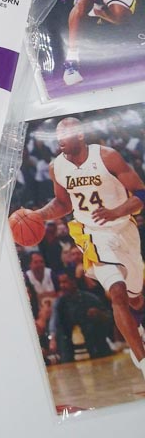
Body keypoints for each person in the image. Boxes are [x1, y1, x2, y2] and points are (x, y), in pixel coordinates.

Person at [26, 117, 145, 377]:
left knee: (136, 297)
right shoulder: (56, 167)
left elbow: (140, 193)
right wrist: (38, 215)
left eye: (65, 135)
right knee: (117, 291)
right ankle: (142, 361)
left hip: (123, 230)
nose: (59, 140)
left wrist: (116, 212)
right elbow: (63, 204)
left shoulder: (107, 157)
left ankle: (140, 326)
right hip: (90, 234)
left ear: (80, 135)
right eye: (57, 136)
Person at [48, 272, 114, 361]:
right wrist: (52, 339)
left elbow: (109, 317)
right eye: (60, 283)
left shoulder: (90, 298)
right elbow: (54, 322)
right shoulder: (59, 303)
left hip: (95, 346)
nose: (62, 285)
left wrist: (99, 314)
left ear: (73, 282)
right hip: (70, 349)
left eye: (65, 282)